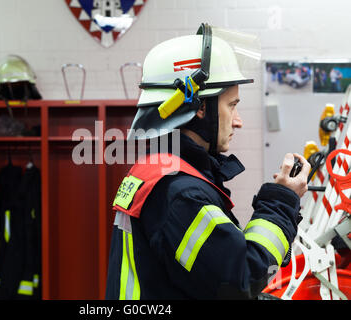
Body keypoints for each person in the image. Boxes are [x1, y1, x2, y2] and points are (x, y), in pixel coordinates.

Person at [105, 23, 310, 300]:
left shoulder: (158, 172)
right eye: (232, 105)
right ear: (200, 106)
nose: (238, 121)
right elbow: (240, 281)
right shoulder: (182, 194)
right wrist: (281, 202)